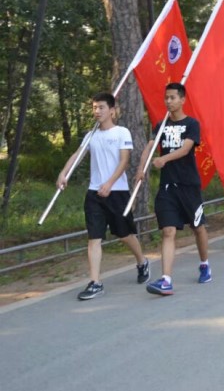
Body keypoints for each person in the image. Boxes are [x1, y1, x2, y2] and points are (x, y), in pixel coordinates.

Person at [57, 93, 149, 300]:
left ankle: (142, 261)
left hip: (116, 192)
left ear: (112, 110)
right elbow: (77, 155)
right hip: (94, 193)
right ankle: (95, 282)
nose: (96, 111)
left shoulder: (121, 132)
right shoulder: (91, 135)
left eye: (101, 107)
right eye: (94, 107)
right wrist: (64, 173)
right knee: (94, 238)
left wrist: (109, 183)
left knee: (125, 234)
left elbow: (124, 161)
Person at [136, 83, 210, 296]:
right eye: (166, 98)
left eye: (172, 98)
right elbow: (149, 148)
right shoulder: (161, 125)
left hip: (189, 185)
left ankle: (204, 263)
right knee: (168, 231)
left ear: (182, 100)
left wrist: (164, 159)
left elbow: (186, 149)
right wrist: (141, 169)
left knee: (198, 228)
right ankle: (166, 280)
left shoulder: (191, 124)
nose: (168, 101)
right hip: (168, 187)